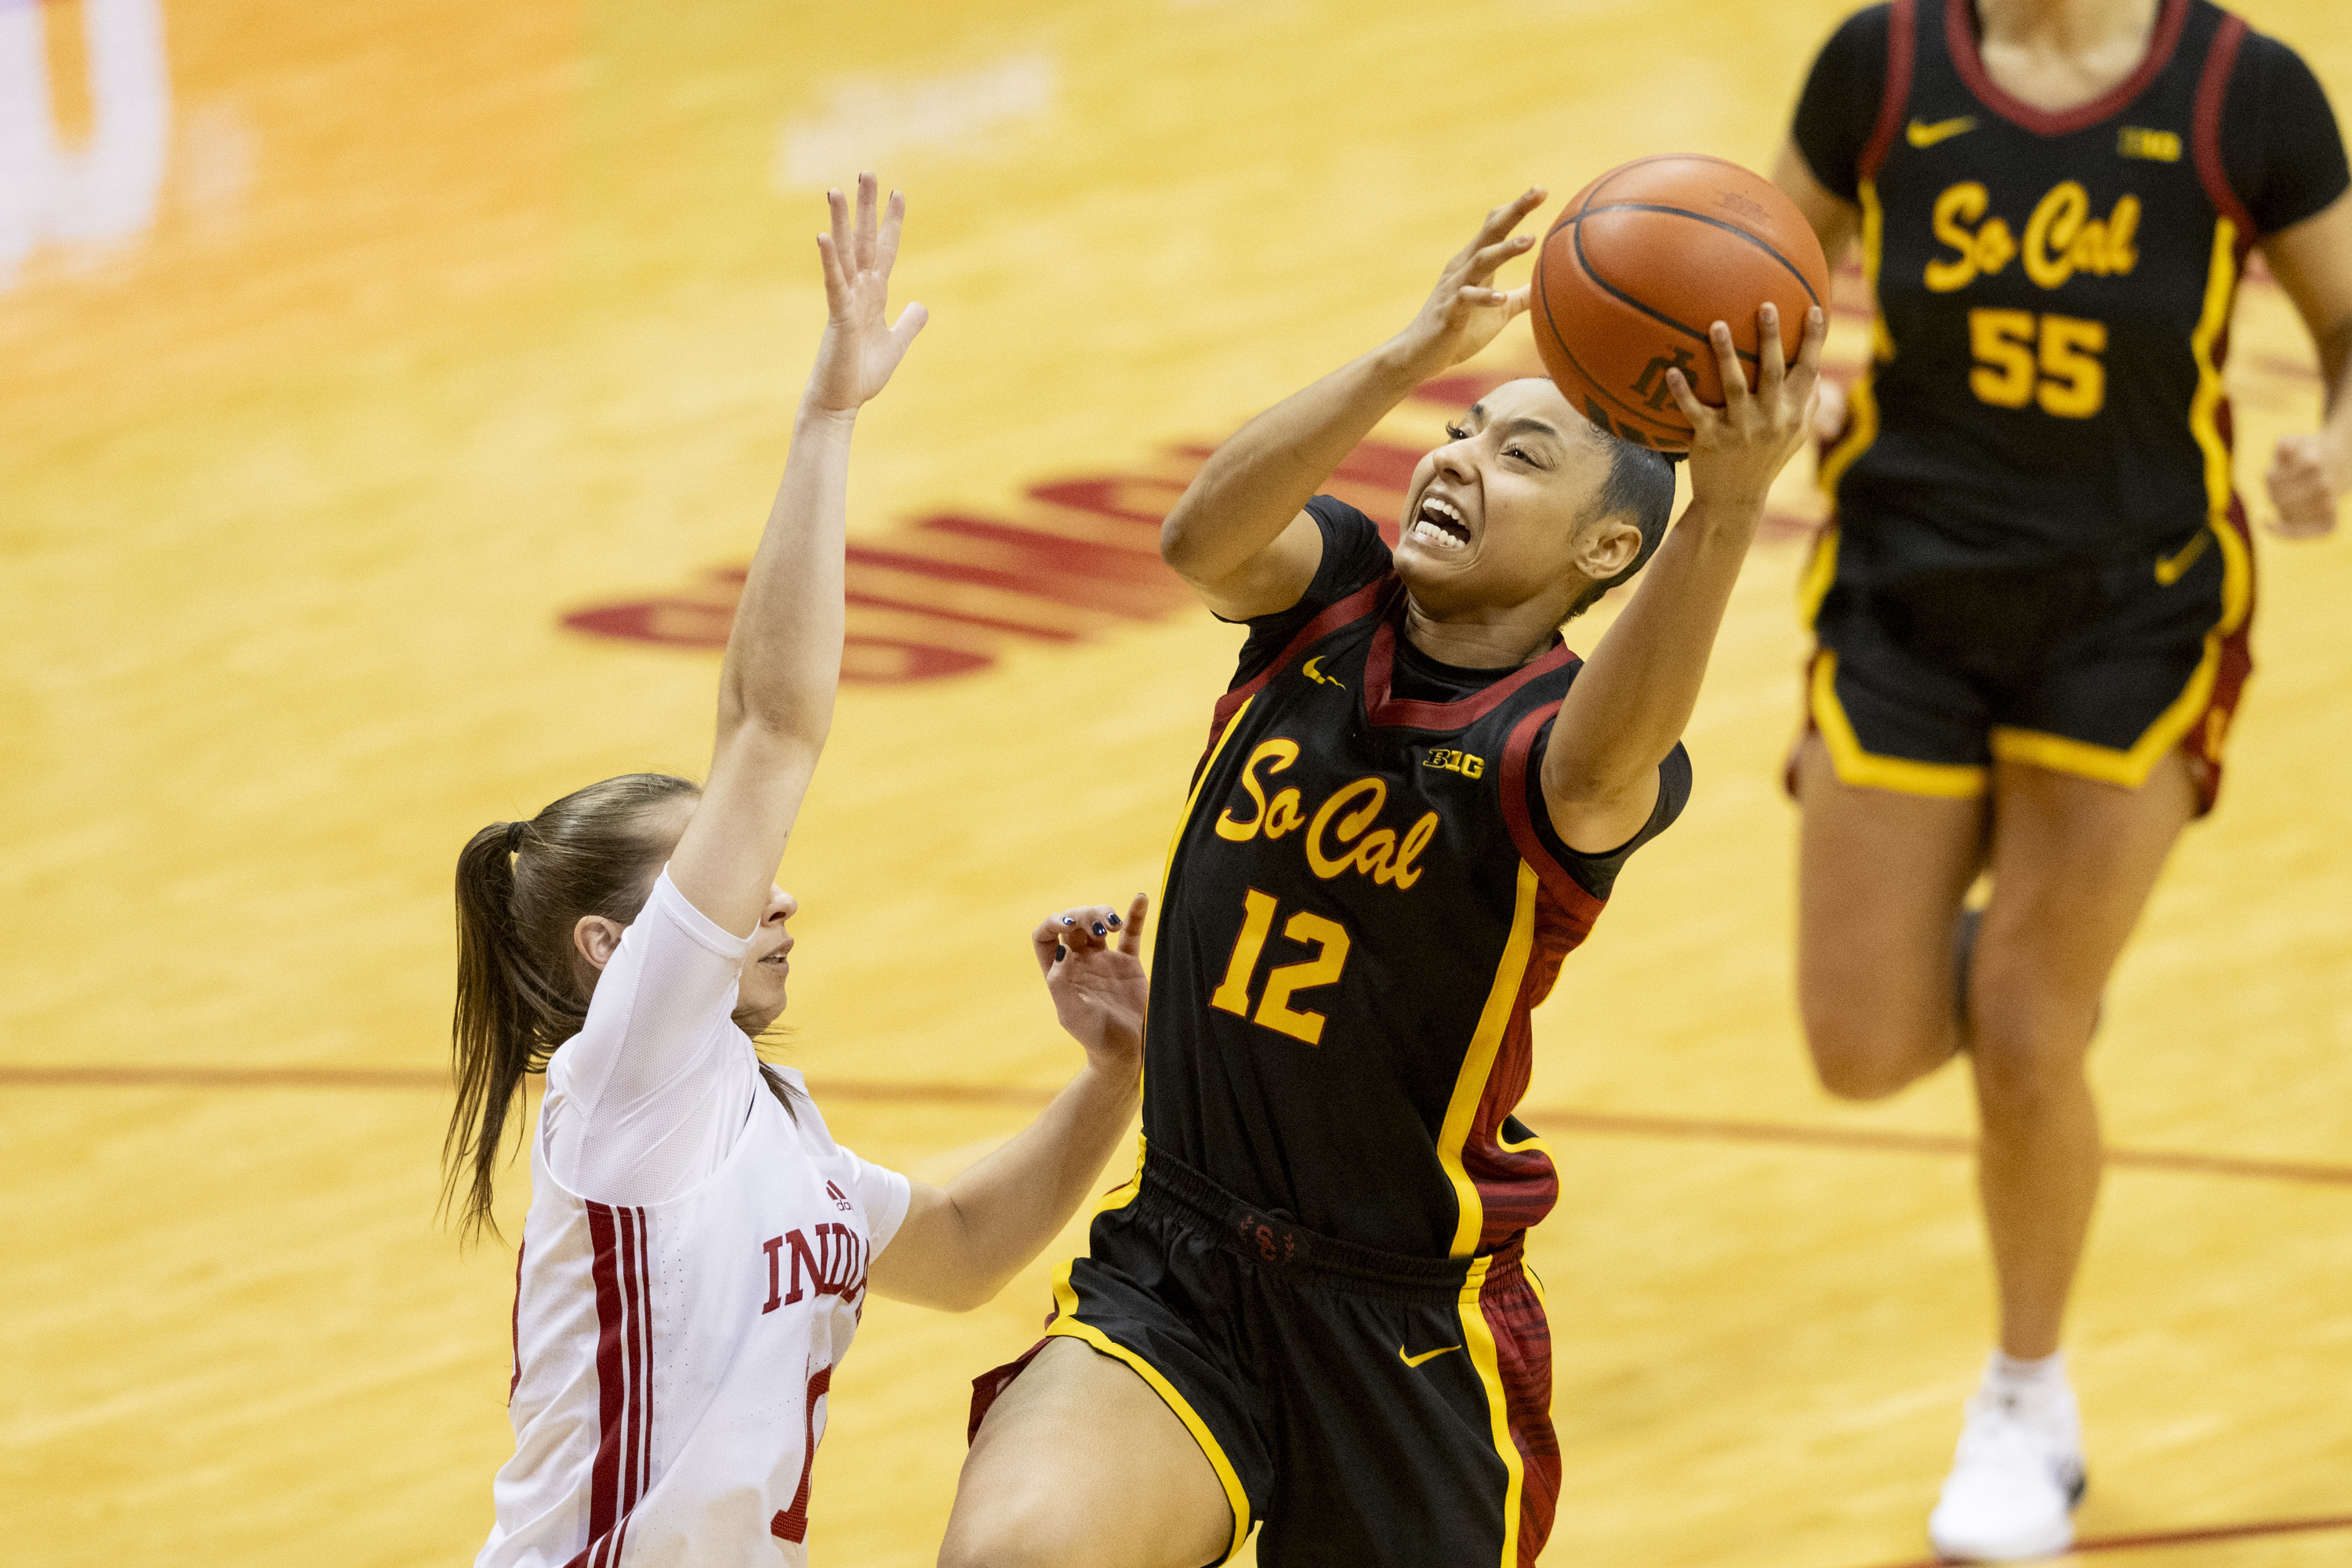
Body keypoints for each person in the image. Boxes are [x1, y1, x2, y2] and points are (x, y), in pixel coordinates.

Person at [937, 192, 1827, 1568]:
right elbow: (1199, 546)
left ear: (1605, 551)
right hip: (1185, 1261)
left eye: (1522, 455)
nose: (1457, 462)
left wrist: (1728, 508)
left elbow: (1603, 771)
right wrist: (1407, 357)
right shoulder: (1329, 599)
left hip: (1407, 1325)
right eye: (1459, 434)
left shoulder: (1557, 745)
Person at [443, 176, 1155, 1568]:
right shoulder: (633, 1076)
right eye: (721, 879)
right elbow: (772, 722)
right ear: (614, 949)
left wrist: (1112, 1078)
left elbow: (956, 1247)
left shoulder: (765, 1120)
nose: (776, 896)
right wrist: (828, 419)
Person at [1770, 0, 2351, 1558]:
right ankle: (2025, 949)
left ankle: (2028, 1402)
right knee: (1861, 1045)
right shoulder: (1880, 65)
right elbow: (1752, 271)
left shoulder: (2246, 93)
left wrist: (2338, 445)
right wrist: (1775, 384)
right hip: (1904, 595)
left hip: (2135, 609)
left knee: (2030, 1030)